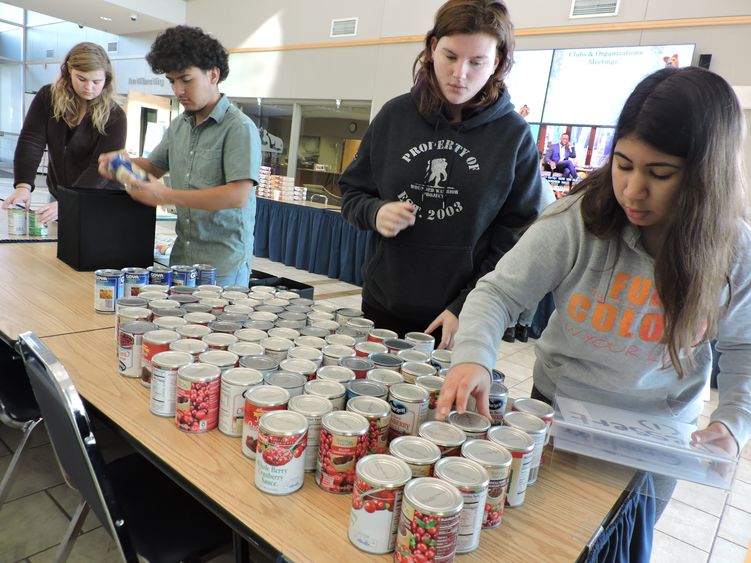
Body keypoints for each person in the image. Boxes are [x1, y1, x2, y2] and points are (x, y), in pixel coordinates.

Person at [437, 67, 750, 520]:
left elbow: (743, 349)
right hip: (555, 418)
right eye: (623, 165)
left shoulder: (734, 248)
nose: (633, 190)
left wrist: (733, 422)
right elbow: (497, 294)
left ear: (706, 176)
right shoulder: (578, 220)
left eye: (660, 174)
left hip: (656, 439)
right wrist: (473, 357)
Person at [339, 0, 548, 349]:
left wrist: (465, 305)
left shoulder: (514, 136)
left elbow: (516, 239)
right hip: (383, 303)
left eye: (477, 62)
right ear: (433, 48)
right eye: (450, 56)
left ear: (497, 62)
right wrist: (375, 212)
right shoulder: (394, 116)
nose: (459, 73)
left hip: (462, 316)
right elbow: (351, 194)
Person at [98, 26, 261, 288]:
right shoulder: (179, 126)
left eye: (186, 80)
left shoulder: (239, 128)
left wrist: (165, 195)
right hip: (182, 260)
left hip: (222, 267)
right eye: (172, 81)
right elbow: (154, 166)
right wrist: (121, 164)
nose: (178, 90)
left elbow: (237, 195)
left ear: (213, 74)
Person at [2, 42, 126, 225]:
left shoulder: (115, 116)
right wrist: (23, 185)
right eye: (82, 79)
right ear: (69, 70)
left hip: (100, 199)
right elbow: (31, 142)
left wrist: (68, 202)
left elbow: (100, 169)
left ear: (106, 79)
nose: (89, 87)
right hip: (58, 198)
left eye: (96, 82)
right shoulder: (47, 97)